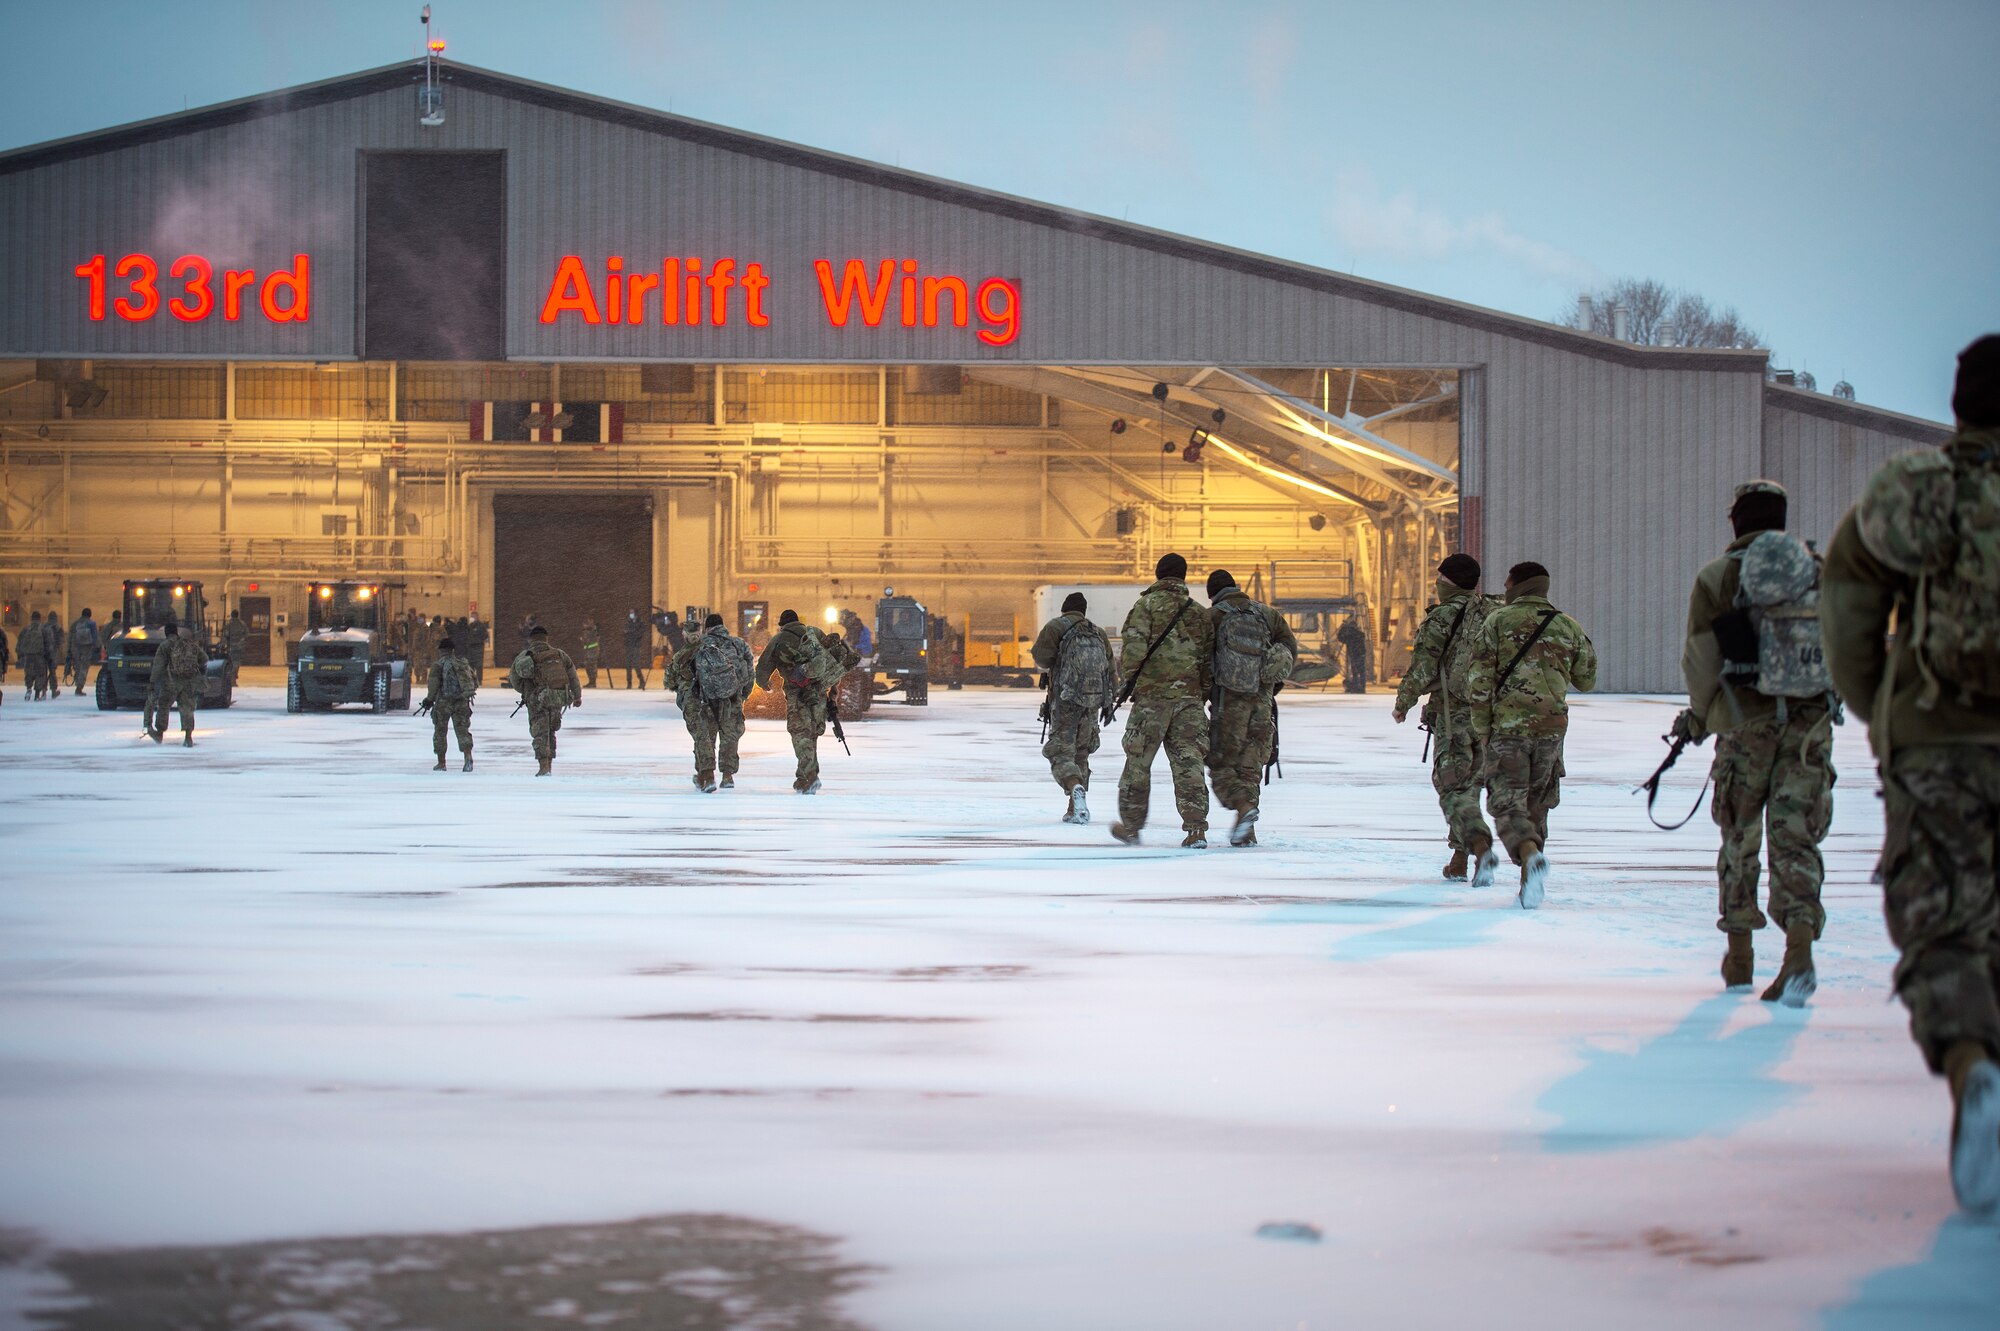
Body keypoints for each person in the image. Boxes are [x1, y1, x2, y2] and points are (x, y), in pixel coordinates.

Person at [1821, 334, 2000, 1215]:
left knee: (1940, 915)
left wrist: (1885, 710)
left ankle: (1974, 1064)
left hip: (1940, 739)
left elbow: (1851, 606)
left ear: (1960, 403)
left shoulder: (1919, 493)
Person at [1679, 480, 1836, 1003]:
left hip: (1744, 720)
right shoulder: (1819, 571)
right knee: (1796, 838)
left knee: (1740, 837)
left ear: (1736, 522)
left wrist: (1699, 719)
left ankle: (1740, 957)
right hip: (1809, 724)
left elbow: (1702, 659)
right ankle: (1799, 952)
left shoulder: (1719, 576)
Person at [1464, 562, 1597, 908]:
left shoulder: (1498, 622)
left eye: (1508, 583)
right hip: (1551, 732)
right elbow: (1587, 679)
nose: (1504, 588)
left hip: (1508, 729)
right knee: (1537, 805)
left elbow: (1478, 682)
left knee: (1506, 803)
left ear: (1519, 585)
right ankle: (1529, 880)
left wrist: (1482, 729)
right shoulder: (1567, 625)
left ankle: (1527, 854)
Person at [1393, 554, 1498, 883]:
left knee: (1451, 786)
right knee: (1471, 786)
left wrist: (1404, 702)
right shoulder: (1492, 614)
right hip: (1490, 715)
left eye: (1440, 578)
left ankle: (1480, 844)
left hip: (1454, 715)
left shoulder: (1443, 616)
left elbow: (1423, 665)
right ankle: (1459, 859)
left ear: (1448, 580)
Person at [1110, 554, 1216, 848]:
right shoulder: (1199, 613)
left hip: (1151, 701)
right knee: (1189, 764)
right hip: (1189, 701)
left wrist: (1133, 684)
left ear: (1158, 575)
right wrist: (1199, 693)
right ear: (1182, 577)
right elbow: (1208, 662)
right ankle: (1196, 829)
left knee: (1137, 763)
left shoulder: (1145, 606)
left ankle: (1131, 827)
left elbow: (1132, 651)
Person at [1204, 569, 1298, 847]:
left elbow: (1201, 661)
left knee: (1221, 766)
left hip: (1228, 705)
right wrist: (1270, 688)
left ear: (1212, 594)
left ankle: (1243, 809)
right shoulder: (1267, 614)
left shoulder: (1213, 617)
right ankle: (1247, 830)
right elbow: (1289, 649)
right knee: (1249, 768)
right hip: (1262, 704)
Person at [1031, 592, 1117, 824]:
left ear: (1064, 609)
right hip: (1092, 703)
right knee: (1081, 753)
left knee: (1060, 751)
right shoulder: (1097, 633)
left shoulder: (1056, 627)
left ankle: (1074, 786)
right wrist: (1109, 703)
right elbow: (1110, 669)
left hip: (1066, 701)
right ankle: (1075, 808)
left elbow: (1041, 658)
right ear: (1084, 611)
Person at [755, 608, 858, 794]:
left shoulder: (779, 640)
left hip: (797, 693)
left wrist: (765, 684)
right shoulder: (815, 633)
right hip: (819, 690)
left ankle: (810, 777)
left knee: (800, 733)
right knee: (811, 734)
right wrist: (833, 689)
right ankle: (804, 777)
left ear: (782, 625)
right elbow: (830, 660)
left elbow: (763, 667)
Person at [666, 612, 755, 791]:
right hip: (731, 696)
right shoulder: (739, 644)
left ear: (706, 628)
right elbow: (750, 673)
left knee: (706, 737)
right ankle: (728, 776)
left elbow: (677, 676)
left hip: (705, 698)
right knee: (730, 735)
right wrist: (742, 695)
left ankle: (706, 775)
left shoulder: (700, 645)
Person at [508, 624, 581, 776]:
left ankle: (543, 767)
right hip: (556, 698)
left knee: (540, 731)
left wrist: (527, 691)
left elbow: (514, 679)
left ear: (531, 639)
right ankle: (549, 765)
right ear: (546, 638)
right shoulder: (559, 654)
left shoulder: (525, 655)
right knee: (551, 731)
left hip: (537, 699)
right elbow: (572, 675)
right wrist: (577, 695)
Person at [146, 618, 206, 746]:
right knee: (187, 708)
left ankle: (160, 733)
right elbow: (204, 658)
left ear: (166, 633)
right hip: (188, 681)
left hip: (171, 681)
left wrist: (152, 682)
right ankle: (188, 737)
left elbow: (158, 665)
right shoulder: (188, 643)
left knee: (164, 706)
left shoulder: (165, 645)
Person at [422, 634, 478, 772]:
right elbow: (474, 683)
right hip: (461, 702)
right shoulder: (463, 664)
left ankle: (441, 763)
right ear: (453, 650)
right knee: (463, 730)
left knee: (440, 731)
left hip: (443, 703)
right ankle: (468, 757)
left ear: (441, 651)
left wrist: (429, 700)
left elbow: (433, 685)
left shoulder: (438, 665)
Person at [19, 610, 50, 701]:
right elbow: (48, 644)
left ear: (31, 619)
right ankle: (37, 694)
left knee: (29, 674)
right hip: (40, 656)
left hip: (28, 656)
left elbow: (20, 643)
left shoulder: (26, 629)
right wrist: (49, 657)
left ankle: (28, 689)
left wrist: (21, 655)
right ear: (40, 619)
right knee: (40, 675)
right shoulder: (43, 629)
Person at [1337, 615, 1371, 693]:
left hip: (1354, 655)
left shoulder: (1349, 636)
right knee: (1360, 672)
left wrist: (1343, 628)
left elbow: (1340, 637)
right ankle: (1361, 687)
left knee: (1355, 671)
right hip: (1360, 654)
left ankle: (1356, 686)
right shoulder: (1359, 634)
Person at [623, 610, 650, 689]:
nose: (631, 614)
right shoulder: (628, 622)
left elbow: (639, 634)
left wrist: (631, 632)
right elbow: (625, 632)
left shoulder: (640, 623)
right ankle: (629, 683)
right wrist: (631, 633)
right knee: (628, 665)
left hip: (636, 646)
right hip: (629, 646)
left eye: (632, 613)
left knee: (636, 664)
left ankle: (641, 681)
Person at [222, 609, 249, 688]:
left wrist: (226, 643)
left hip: (231, 646)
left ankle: (230, 679)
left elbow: (225, 635)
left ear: (231, 615)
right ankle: (233, 679)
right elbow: (246, 634)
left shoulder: (228, 624)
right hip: (239, 646)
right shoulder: (242, 624)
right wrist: (241, 640)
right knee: (237, 663)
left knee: (231, 663)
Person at [579, 616, 602, 688]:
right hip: (588, 651)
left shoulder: (594, 630)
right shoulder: (586, 631)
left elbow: (593, 638)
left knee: (592, 667)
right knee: (588, 667)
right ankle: (591, 681)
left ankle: (593, 682)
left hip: (593, 651)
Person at [467, 612, 490, 684]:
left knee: (479, 665)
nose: (472, 618)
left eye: (473, 616)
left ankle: (479, 680)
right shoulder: (470, 626)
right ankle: (471, 679)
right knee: (470, 664)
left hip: (478, 647)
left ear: (477, 617)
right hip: (471, 647)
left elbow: (485, 636)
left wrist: (478, 640)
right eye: (471, 617)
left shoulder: (481, 626)